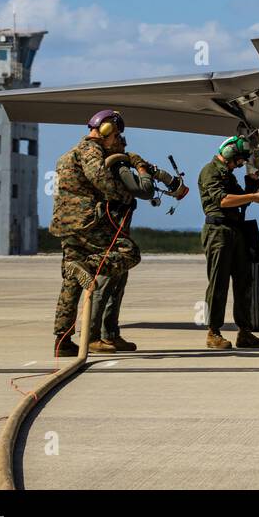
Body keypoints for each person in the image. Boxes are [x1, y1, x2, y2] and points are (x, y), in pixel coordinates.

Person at [50, 109, 178, 356]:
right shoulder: (91, 151)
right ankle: (88, 267)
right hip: (87, 224)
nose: (117, 140)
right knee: (128, 252)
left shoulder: (67, 155)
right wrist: (124, 194)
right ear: (107, 131)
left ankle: (62, 341)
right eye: (116, 134)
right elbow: (101, 179)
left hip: (65, 225)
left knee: (70, 284)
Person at [198, 136, 259, 350]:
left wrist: (251, 186)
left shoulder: (227, 175)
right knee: (218, 283)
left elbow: (239, 197)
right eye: (238, 160)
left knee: (244, 281)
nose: (238, 164)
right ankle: (213, 332)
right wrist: (252, 197)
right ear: (230, 154)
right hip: (218, 231)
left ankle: (245, 332)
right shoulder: (210, 171)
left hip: (235, 230)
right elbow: (223, 200)